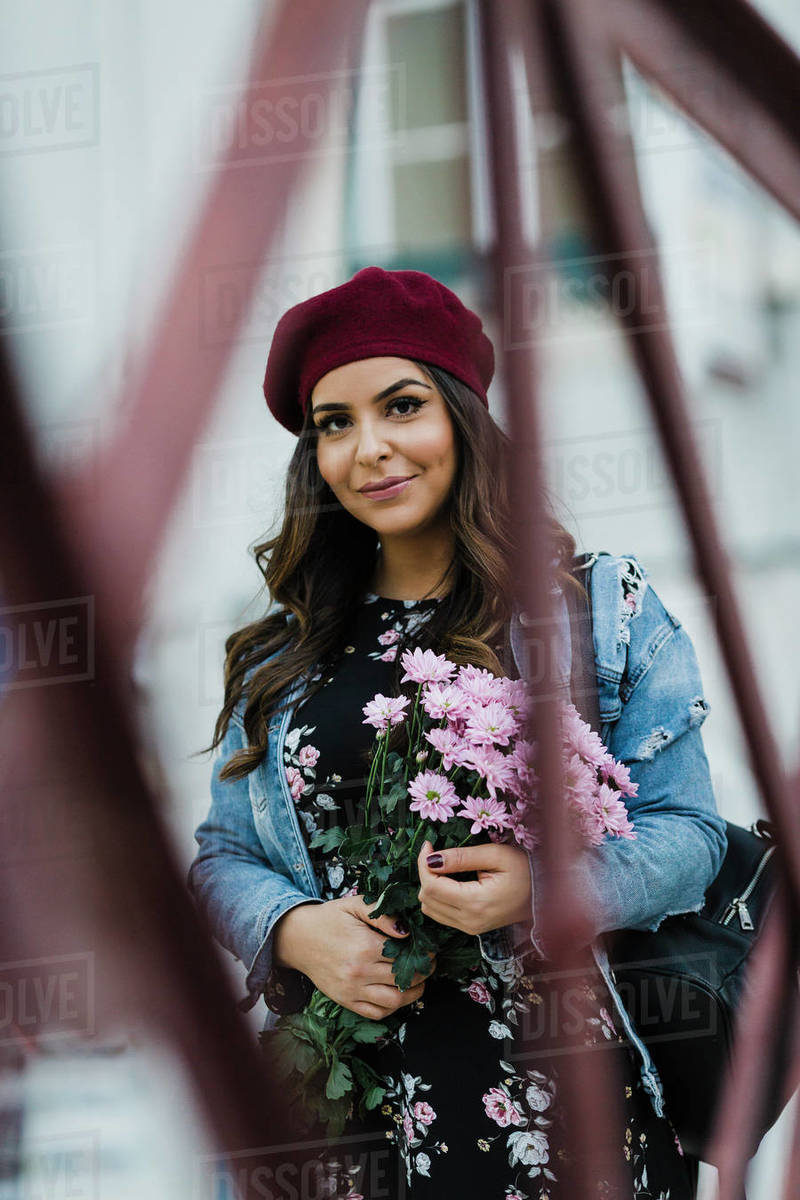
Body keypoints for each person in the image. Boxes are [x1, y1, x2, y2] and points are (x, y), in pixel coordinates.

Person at [188, 266, 727, 1198]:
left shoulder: (596, 608)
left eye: (402, 407)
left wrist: (548, 886)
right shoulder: (285, 650)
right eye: (334, 424)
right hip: (343, 1116)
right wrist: (297, 931)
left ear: (464, 419)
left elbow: (691, 834)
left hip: (560, 1110)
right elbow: (220, 859)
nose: (369, 450)